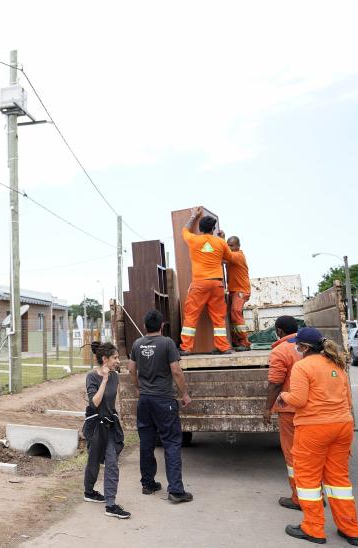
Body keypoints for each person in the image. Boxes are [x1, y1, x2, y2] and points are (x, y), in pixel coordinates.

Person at [277, 327, 358, 546]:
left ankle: (313, 529)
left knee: (307, 479)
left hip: (314, 428)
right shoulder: (337, 365)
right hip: (342, 425)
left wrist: (283, 395)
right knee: (339, 480)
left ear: (304, 347)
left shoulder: (302, 366)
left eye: (298, 344)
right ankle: (351, 530)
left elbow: (298, 400)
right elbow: (348, 400)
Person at [128, 310, 193, 503]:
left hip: (145, 401)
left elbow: (131, 368)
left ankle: (148, 483)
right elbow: (176, 371)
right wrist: (184, 394)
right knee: (171, 443)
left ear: (144, 326)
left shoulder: (137, 344)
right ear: (161, 326)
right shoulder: (167, 343)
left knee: (147, 442)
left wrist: (138, 388)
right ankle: (175, 491)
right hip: (164, 400)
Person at [83, 341, 130, 519]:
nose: (118, 361)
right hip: (95, 424)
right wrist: (103, 380)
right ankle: (89, 492)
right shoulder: (92, 377)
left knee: (111, 461)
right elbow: (94, 402)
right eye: (115, 358)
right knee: (94, 460)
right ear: (105, 359)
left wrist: (118, 417)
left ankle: (110, 504)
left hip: (110, 423)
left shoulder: (115, 377)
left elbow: (112, 401)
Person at [179, 206, 234, 355]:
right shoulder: (221, 243)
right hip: (217, 284)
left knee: (191, 315)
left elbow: (184, 231)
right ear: (214, 228)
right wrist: (221, 239)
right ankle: (223, 347)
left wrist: (192, 216)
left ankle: (186, 348)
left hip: (200, 283)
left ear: (200, 228)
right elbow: (229, 259)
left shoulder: (194, 240)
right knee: (218, 317)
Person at [262, 316, 303, 511]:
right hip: (311, 410)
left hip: (289, 411)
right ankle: (315, 494)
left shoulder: (280, 351)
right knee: (310, 455)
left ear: (279, 331)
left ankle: (299, 497)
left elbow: (275, 383)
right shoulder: (309, 347)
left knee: (293, 456)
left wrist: (267, 408)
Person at [226, 236, 251, 351]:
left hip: (241, 290)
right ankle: (237, 340)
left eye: (231, 246)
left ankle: (245, 343)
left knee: (235, 312)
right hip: (234, 290)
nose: (229, 248)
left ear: (238, 246)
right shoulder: (232, 256)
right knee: (233, 315)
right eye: (228, 245)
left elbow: (222, 256)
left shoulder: (238, 256)